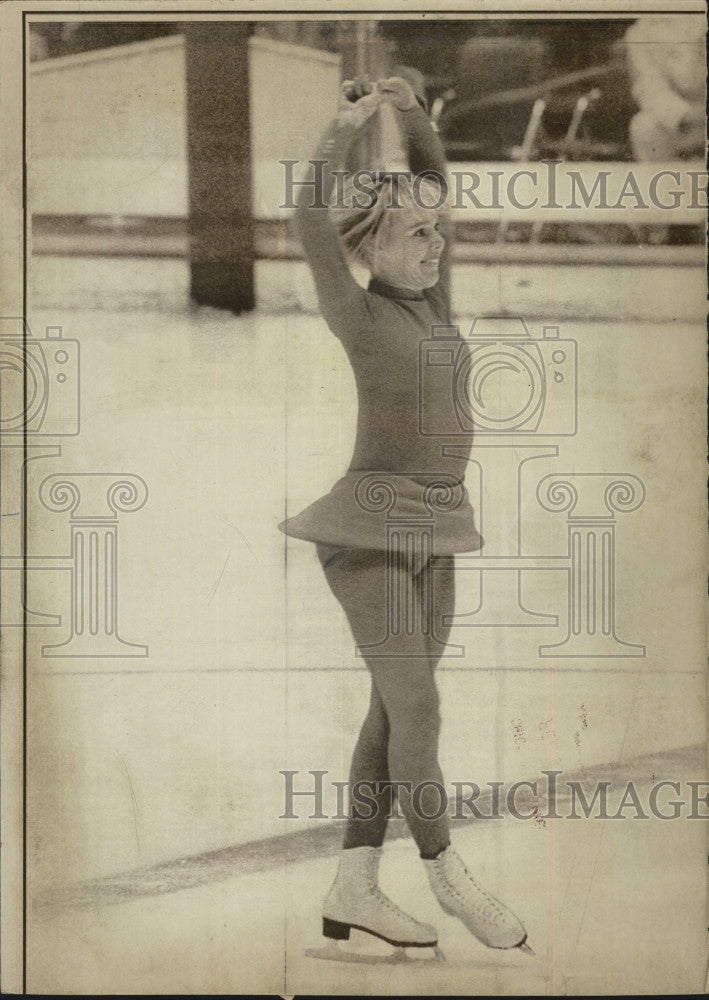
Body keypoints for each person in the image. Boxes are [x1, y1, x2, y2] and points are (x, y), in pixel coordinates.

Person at [280, 76, 528, 954]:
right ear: (373, 247)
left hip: (437, 529)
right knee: (417, 711)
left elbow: (434, 179)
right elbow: (310, 220)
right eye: (416, 234)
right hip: (368, 536)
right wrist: (343, 127)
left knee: (393, 717)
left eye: (438, 233)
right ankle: (447, 874)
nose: (434, 243)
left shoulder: (433, 302)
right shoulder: (358, 311)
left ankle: (352, 887)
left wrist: (411, 114)